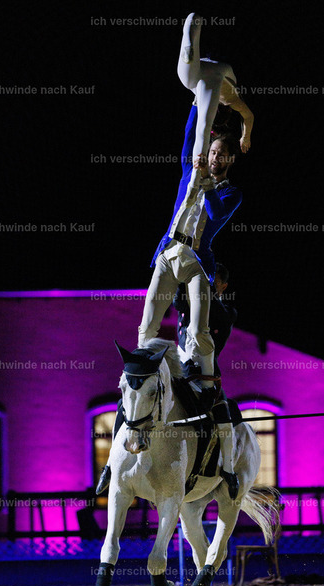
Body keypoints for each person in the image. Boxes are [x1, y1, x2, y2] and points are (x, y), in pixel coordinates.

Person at [138, 107, 242, 411]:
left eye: (222, 154)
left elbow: (215, 212)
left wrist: (207, 181)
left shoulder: (232, 193)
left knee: (198, 330)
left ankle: (208, 385)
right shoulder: (189, 171)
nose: (215, 157)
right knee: (147, 325)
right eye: (213, 151)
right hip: (169, 253)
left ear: (230, 160)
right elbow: (189, 133)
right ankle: (142, 380)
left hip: (196, 262)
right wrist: (199, 102)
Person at [173, 262, 240, 498]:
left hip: (206, 370)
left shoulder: (227, 311)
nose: (209, 285)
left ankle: (229, 470)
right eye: (206, 281)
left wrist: (204, 288)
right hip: (180, 368)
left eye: (214, 282)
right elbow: (178, 301)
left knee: (223, 416)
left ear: (223, 286)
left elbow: (217, 314)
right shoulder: (188, 302)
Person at [177, 12, 254, 210]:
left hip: (204, 67)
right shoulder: (228, 98)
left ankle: (193, 25)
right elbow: (201, 128)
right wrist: (245, 138)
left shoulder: (231, 99)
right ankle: (190, 34)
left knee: (189, 79)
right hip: (211, 75)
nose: (216, 156)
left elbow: (248, 117)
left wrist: (246, 136)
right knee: (202, 125)